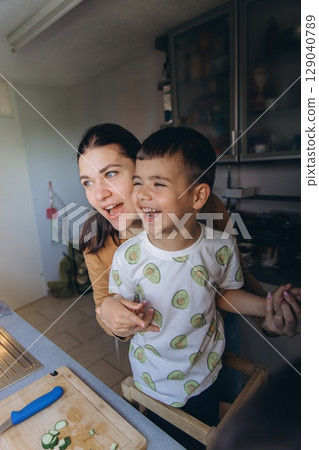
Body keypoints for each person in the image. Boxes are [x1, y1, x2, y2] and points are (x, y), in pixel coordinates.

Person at [107, 126, 296, 426]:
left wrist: (267, 306)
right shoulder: (128, 256)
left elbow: (224, 295)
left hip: (205, 376)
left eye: (158, 183)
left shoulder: (220, 247)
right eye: (138, 182)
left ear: (197, 197)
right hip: (150, 380)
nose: (141, 194)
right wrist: (112, 310)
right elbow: (116, 305)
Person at [77, 123, 300, 344]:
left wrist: (270, 316)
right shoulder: (96, 241)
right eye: (87, 182)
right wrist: (113, 318)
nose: (99, 194)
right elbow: (105, 306)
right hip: (159, 350)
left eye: (111, 174)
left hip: (216, 335)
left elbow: (234, 280)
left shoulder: (205, 207)